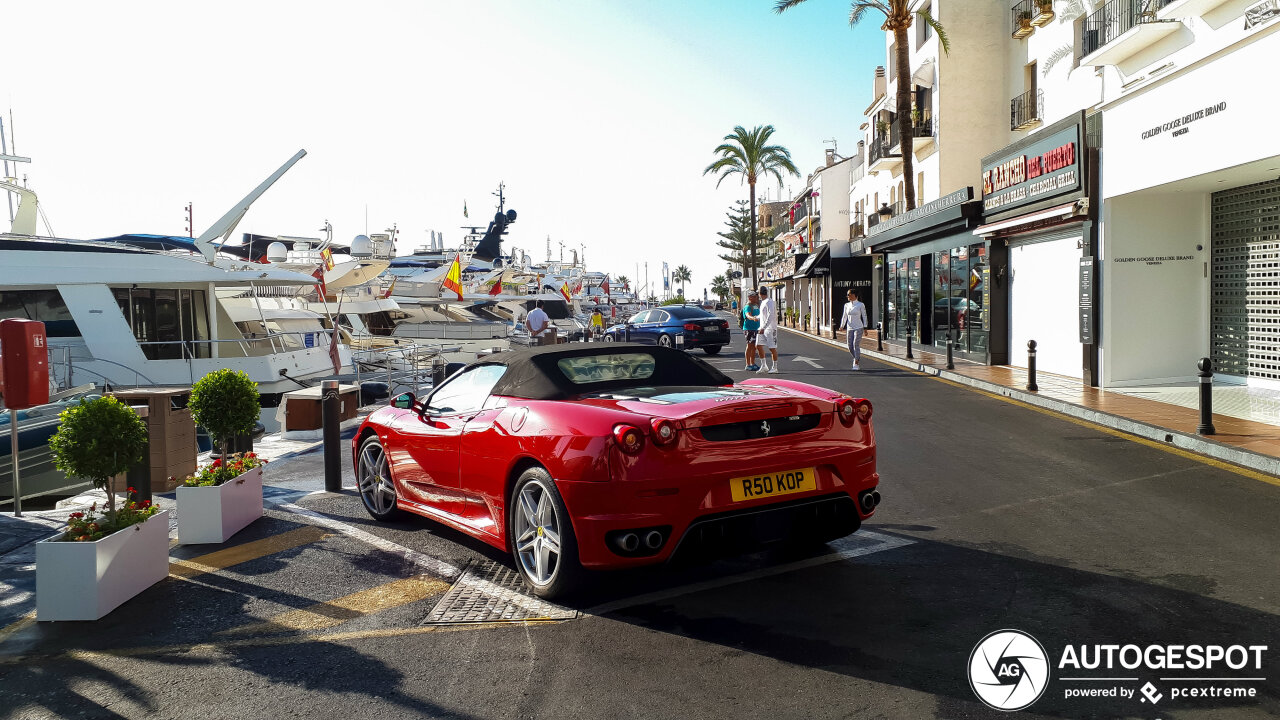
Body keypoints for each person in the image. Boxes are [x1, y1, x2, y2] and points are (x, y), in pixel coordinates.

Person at [838, 289, 869, 370]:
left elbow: (864, 316)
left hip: (858, 327)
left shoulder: (860, 305)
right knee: (849, 346)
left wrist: (865, 327)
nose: (847, 296)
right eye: (847, 295)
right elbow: (844, 316)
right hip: (849, 328)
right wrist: (842, 326)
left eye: (849, 294)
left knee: (856, 344)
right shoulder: (846, 305)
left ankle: (856, 363)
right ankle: (856, 357)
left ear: (854, 295)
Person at [756, 286, 779, 374]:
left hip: (770, 329)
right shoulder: (763, 302)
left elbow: (771, 315)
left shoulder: (769, 302)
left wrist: (764, 327)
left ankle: (775, 367)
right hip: (762, 328)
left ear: (760, 293)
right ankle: (764, 366)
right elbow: (763, 315)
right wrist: (756, 318)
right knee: (758, 345)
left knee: (772, 348)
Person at [741, 292, 761, 371]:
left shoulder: (756, 305)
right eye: (755, 297)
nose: (757, 298)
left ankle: (753, 363)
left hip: (756, 328)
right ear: (750, 297)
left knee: (754, 347)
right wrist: (753, 318)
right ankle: (748, 364)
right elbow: (747, 315)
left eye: (757, 296)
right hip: (749, 329)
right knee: (749, 346)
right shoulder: (747, 306)